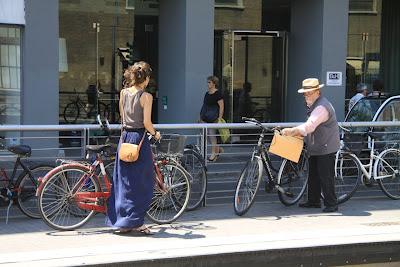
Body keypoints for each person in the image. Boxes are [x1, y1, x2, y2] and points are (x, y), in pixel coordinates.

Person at [106, 61, 161, 234]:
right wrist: (156, 133)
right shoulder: (146, 97)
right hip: (139, 140)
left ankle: (123, 222)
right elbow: (146, 122)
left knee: (124, 182)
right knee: (143, 182)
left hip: (125, 139)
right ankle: (136, 222)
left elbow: (123, 116)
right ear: (145, 79)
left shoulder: (123, 93)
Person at [281, 78, 340, 213]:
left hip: (325, 146)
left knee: (326, 176)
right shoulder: (315, 104)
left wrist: (292, 131)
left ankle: (332, 203)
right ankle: (313, 201)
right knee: (313, 173)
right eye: (305, 93)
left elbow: (310, 126)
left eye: (309, 93)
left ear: (317, 92)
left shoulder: (321, 107)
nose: (306, 96)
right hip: (317, 146)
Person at [200, 76, 224, 162]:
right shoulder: (207, 94)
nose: (208, 84)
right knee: (208, 136)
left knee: (212, 136)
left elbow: (221, 106)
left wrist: (220, 119)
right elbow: (204, 106)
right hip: (206, 118)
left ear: (214, 83)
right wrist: (200, 117)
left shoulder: (218, 94)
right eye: (208, 82)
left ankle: (213, 154)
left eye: (209, 82)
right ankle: (218, 149)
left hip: (213, 118)